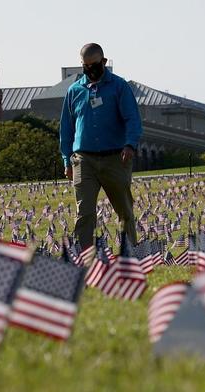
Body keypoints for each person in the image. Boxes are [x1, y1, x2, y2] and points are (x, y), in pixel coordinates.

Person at [60, 43, 142, 250]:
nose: (90, 69)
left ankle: (131, 253)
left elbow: (132, 119)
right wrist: (66, 159)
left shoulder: (119, 86)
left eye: (94, 65)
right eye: (85, 66)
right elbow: (66, 129)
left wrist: (130, 145)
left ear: (104, 62)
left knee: (124, 210)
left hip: (115, 157)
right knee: (84, 211)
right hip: (83, 160)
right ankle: (84, 257)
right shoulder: (74, 91)